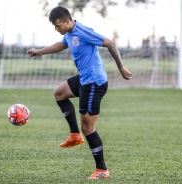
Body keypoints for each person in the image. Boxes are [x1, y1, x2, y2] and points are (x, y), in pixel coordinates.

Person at [27, 6, 133, 179]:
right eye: (54, 26)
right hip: (85, 79)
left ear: (68, 21)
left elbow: (110, 43)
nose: (56, 29)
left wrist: (121, 67)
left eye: (58, 25)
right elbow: (60, 45)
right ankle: (75, 135)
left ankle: (102, 170)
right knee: (59, 93)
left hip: (94, 83)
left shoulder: (83, 31)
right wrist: (39, 52)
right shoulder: (68, 34)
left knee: (88, 127)